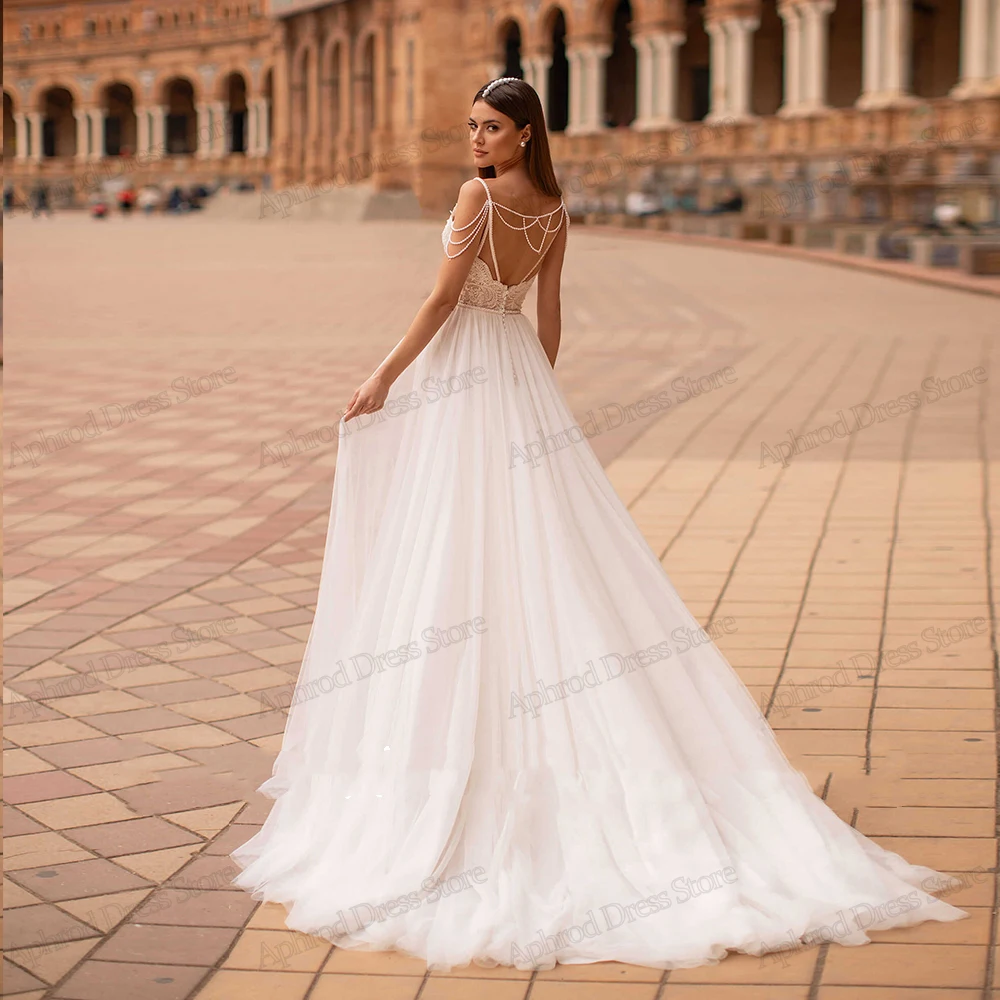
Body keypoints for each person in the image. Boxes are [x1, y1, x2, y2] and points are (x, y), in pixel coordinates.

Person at [230, 77, 967, 973]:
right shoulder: (555, 210)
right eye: (470, 129)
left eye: (490, 128)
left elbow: (439, 300)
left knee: (450, 548)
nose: (475, 141)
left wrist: (382, 378)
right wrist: (534, 402)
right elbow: (550, 320)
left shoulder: (479, 199)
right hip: (514, 383)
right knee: (538, 549)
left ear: (525, 131)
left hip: (460, 377)